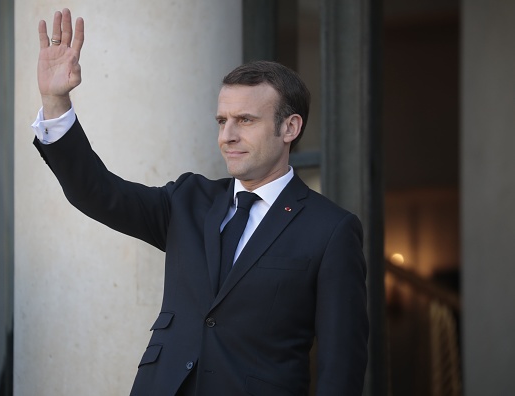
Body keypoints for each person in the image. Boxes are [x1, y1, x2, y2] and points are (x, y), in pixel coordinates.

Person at [32, 8, 368, 396]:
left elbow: (340, 368)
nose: (227, 135)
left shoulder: (330, 230)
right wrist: (56, 103)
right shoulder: (188, 200)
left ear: (290, 127)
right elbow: (97, 193)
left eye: (245, 120)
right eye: (221, 121)